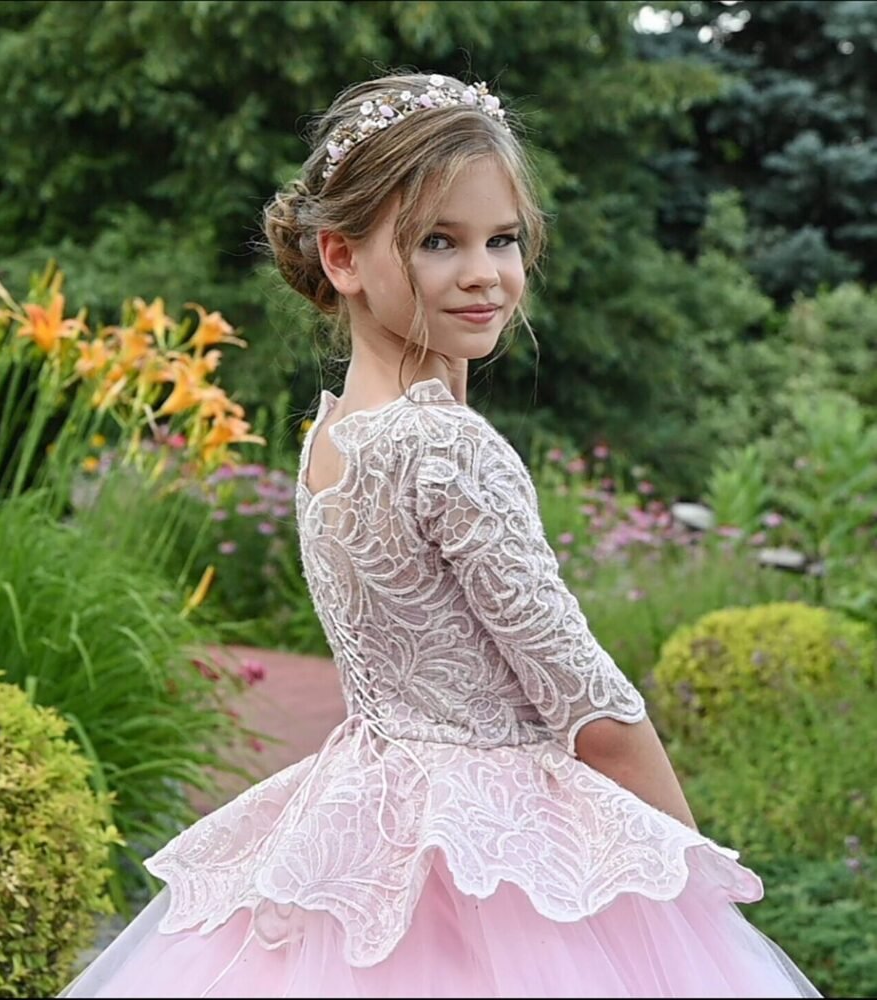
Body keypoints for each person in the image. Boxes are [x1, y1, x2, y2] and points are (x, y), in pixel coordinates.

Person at [59, 71, 821, 999]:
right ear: (342, 258)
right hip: (492, 863)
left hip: (369, 821)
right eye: (436, 242)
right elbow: (594, 713)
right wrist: (694, 895)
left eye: (502, 239)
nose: (484, 273)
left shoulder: (332, 434)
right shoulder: (444, 447)